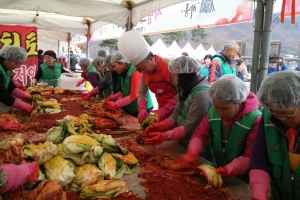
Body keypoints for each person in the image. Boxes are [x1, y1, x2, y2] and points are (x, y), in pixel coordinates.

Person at [180, 74, 262, 182]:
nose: (219, 112)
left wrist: (229, 169)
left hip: (245, 179)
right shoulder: (212, 112)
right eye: (216, 106)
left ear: (239, 102)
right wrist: (192, 152)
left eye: (224, 108)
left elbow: (251, 156)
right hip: (221, 170)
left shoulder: (255, 120)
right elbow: (200, 134)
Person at [249, 71, 300, 200]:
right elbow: (260, 158)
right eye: (275, 112)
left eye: (286, 113)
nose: (281, 118)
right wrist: (259, 192)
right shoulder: (268, 118)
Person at [141, 56, 212, 148]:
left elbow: (189, 127)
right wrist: (162, 125)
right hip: (183, 142)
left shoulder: (201, 94)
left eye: (176, 75)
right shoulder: (185, 87)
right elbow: (175, 115)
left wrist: (164, 136)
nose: (176, 78)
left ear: (185, 75)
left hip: (199, 149)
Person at [118, 31, 177, 122]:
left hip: (179, 112)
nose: (142, 71)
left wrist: (165, 110)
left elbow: (181, 94)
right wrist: (141, 108)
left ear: (150, 59)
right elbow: (141, 93)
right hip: (161, 112)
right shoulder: (144, 72)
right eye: (140, 69)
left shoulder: (170, 66)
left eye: (143, 68)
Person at [0, 45, 33, 114]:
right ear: (7, 58)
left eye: (20, 64)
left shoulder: (6, 67)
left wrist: (22, 95)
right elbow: (0, 92)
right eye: (16, 63)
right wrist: (20, 104)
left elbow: (9, 84)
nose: (17, 66)